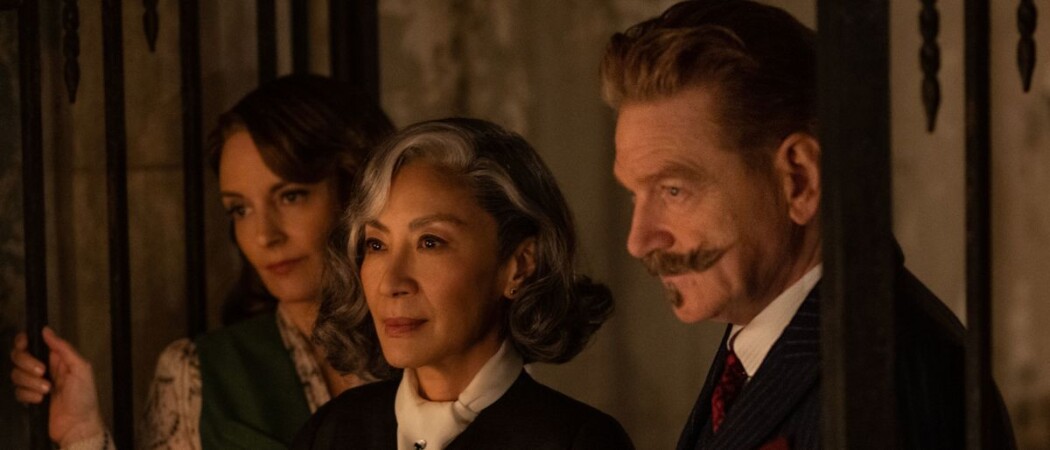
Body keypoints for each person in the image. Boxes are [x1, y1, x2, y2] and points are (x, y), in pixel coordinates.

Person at [601, 1, 1015, 449]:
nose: (638, 240)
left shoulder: (884, 379)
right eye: (635, 194)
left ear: (799, 180)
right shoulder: (773, 342)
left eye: (673, 191)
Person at [10, 74, 395, 449]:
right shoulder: (197, 375)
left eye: (290, 196)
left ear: (355, 192)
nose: (264, 235)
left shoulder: (419, 347)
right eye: (240, 209)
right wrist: (81, 432)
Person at [293, 118, 634, 449]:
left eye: (430, 242)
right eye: (376, 245)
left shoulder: (578, 441)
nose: (390, 282)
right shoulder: (329, 431)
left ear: (518, 265)